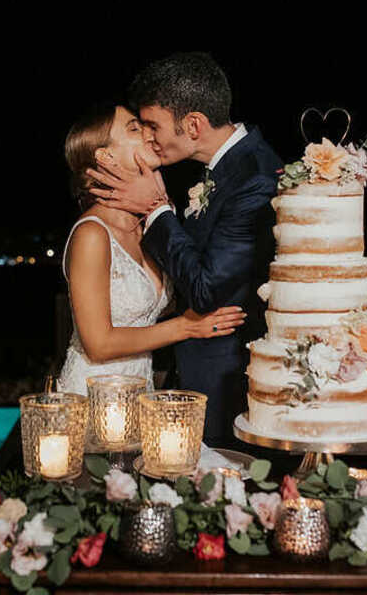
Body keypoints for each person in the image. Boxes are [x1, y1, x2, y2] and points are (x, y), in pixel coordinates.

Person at [86, 53, 282, 447]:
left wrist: (156, 209)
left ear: (193, 124)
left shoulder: (255, 178)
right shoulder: (224, 170)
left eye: (153, 126)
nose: (149, 137)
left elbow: (208, 290)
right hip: (191, 374)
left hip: (228, 384)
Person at [56, 103, 246, 400]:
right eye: (134, 128)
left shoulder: (149, 227)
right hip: (91, 396)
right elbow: (99, 342)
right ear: (105, 156)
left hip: (139, 396)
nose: (148, 133)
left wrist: (161, 208)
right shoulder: (92, 234)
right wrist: (187, 327)